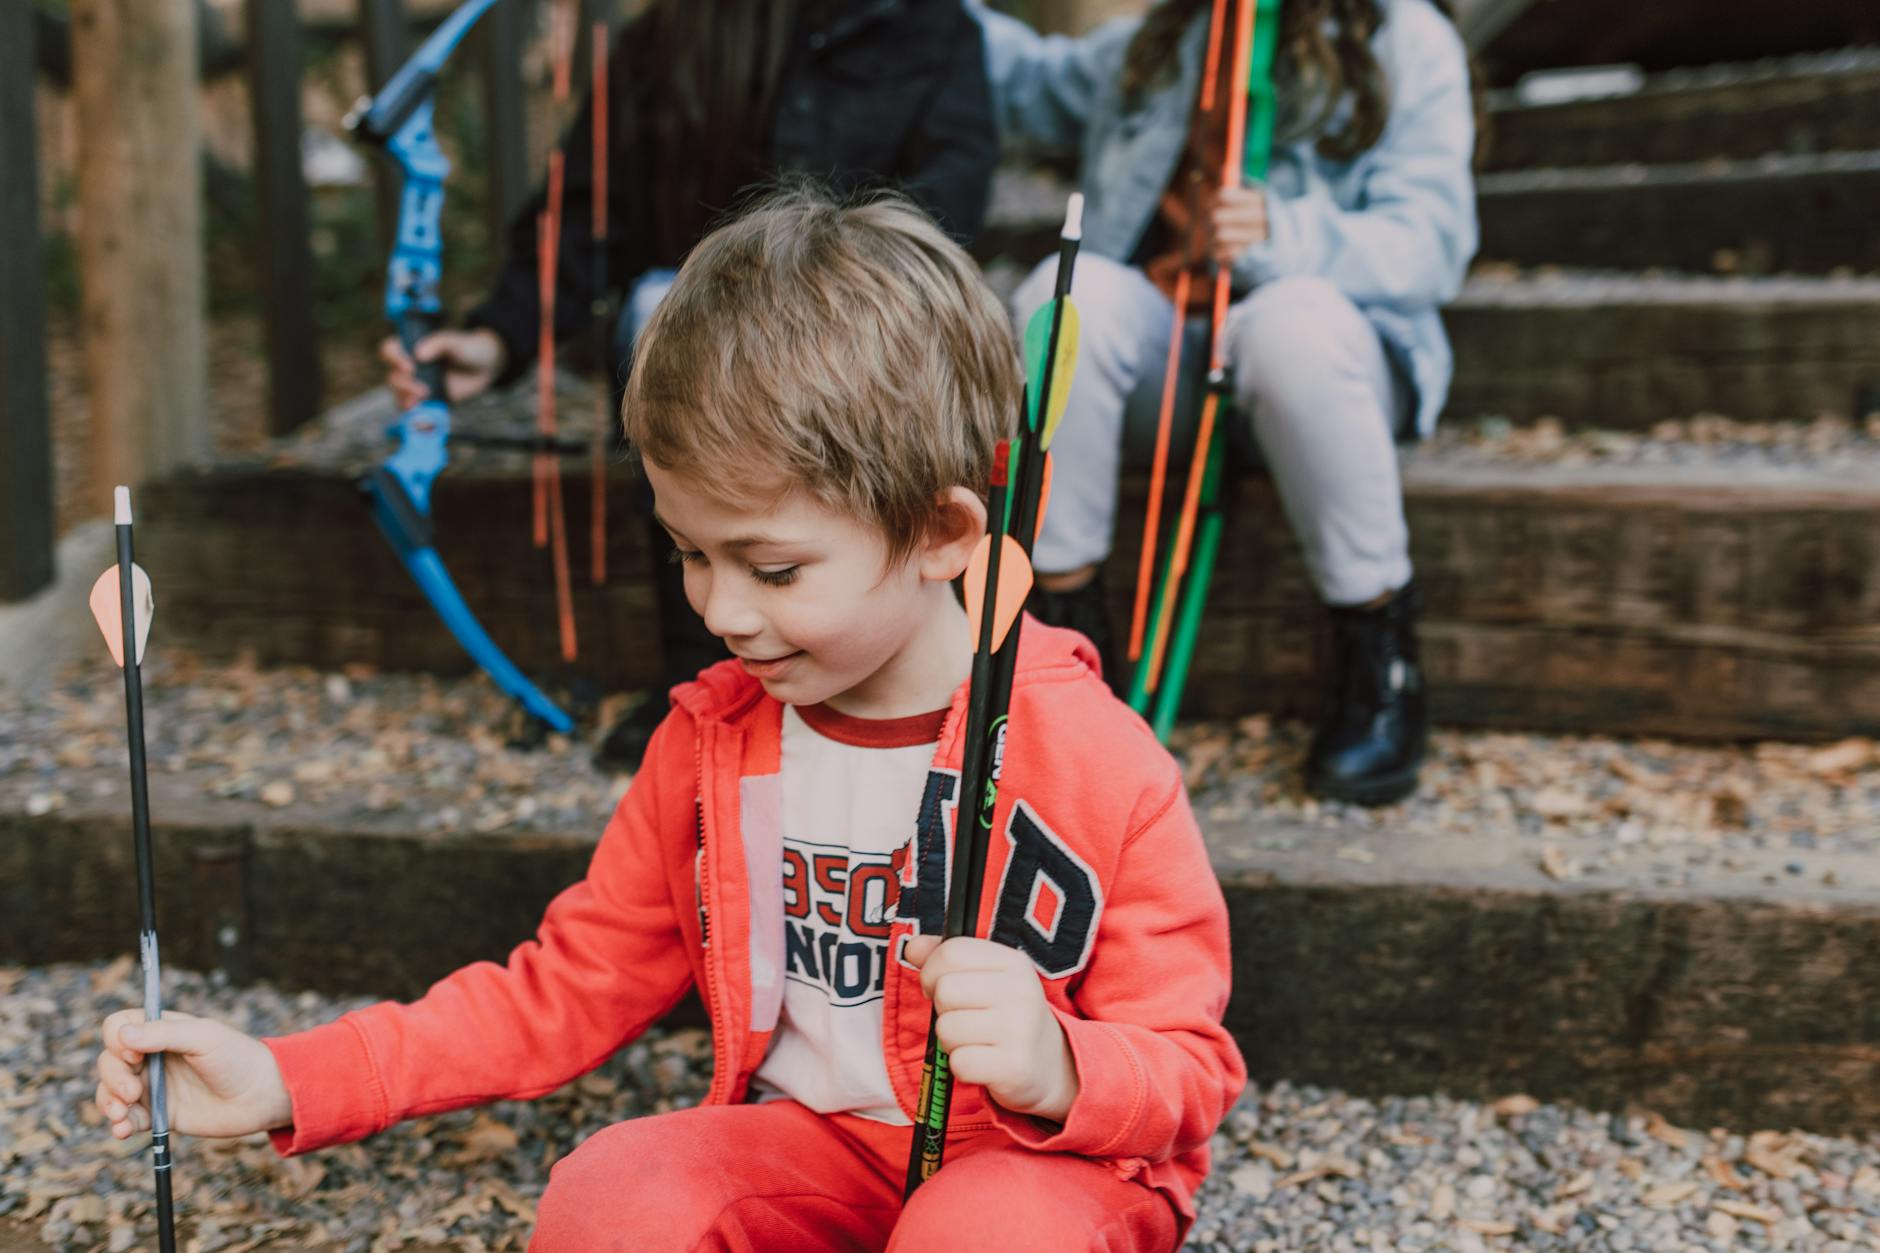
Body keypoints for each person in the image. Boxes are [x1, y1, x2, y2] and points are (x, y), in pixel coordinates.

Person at [96, 187, 1245, 1251]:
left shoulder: (1102, 759)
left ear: (945, 532)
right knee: (615, 1195)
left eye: (775, 567)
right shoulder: (709, 738)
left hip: (1052, 1164)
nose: (721, 608)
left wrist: (1059, 1062)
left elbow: (1189, 1067)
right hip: (825, 1148)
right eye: (690, 552)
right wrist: (293, 1074)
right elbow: (563, 982)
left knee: (981, 1232)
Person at [381, 0, 999, 771]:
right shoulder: (673, 36)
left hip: (868, 349)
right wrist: (497, 336)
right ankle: (697, 675)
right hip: (703, 337)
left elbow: (946, 213)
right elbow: (586, 210)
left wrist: (826, 312)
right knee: (656, 309)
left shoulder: (933, 31)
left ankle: (905, 667)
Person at [976, 0, 1478, 806]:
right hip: (1167, 362)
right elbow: (1027, 85)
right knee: (1064, 299)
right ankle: (1064, 642)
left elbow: (1434, 242)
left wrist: (1289, 233)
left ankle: (1376, 645)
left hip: (1320, 372)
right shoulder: (1169, 34)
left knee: (1291, 324)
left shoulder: (1407, 38)